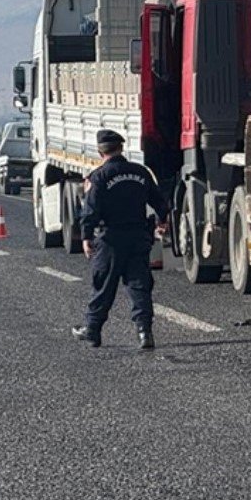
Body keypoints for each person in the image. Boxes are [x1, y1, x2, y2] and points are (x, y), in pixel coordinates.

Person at [73, 129, 170, 350]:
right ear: (121, 148)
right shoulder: (141, 172)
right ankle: (145, 332)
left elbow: (91, 211)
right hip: (138, 237)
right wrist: (162, 220)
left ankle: (93, 331)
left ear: (100, 151)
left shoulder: (99, 177)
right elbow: (159, 200)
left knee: (103, 285)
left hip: (110, 240)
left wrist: (86, 237)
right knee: (139, 286)